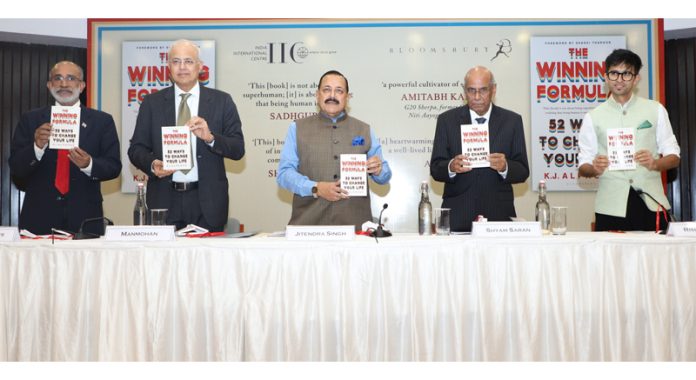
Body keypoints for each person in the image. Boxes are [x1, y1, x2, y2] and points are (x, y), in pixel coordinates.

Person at [128, 39, 245, 232]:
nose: (182, 67)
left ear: (200, 66)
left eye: (189, 61)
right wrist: (152, 164)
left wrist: (211, 138)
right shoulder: (152, 103)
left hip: (207, 202)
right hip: (164, 201)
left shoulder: (221, 101)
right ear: (168, 67)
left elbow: (238, 148)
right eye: (176, 61)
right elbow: (136, 149)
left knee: (206, 262)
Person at [9, 61, 122, 235]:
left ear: (82, 86)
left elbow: (114, 167)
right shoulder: (30, 120)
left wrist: (88, 164)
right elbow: (16, 168)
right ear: (49, 85)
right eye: (57, 78)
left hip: (85, 217)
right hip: (38, 216)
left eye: (71, 78)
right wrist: (36, 148)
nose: (64, 84)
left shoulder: (102, 121)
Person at [578, 49, 680, 231]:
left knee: (655, 259)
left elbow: (674, 156)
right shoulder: (593, 116)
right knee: (611, 259)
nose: (619, 79)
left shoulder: (655, 109)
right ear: (606, 77)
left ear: (636, 78)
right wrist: (595, 168)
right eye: (614, 73)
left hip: (651, 202)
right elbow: (583, 167)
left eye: (626, 74)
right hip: (611, 205)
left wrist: (654, 164)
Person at [277, 70, 392, 229]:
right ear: (317, 95)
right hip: (309, 227)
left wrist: (379, 170)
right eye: (326, 90)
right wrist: (316, 188)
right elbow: (284, 175)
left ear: (347, 97)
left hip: (355, 228)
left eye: (339, 91)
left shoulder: (364, 129)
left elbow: (384, 175)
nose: (332, 95)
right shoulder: (297, 128)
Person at [430, 66, 529, 232]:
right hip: (457, 215)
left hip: (499, 217)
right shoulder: (446, 121)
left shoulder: (512, 121)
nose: (477, 97)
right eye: (471, 90)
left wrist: (505, 167)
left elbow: (523, 171)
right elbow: (435, 168)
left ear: (493, 89)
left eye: (483, 90)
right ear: (464, 91)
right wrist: (451, 167)